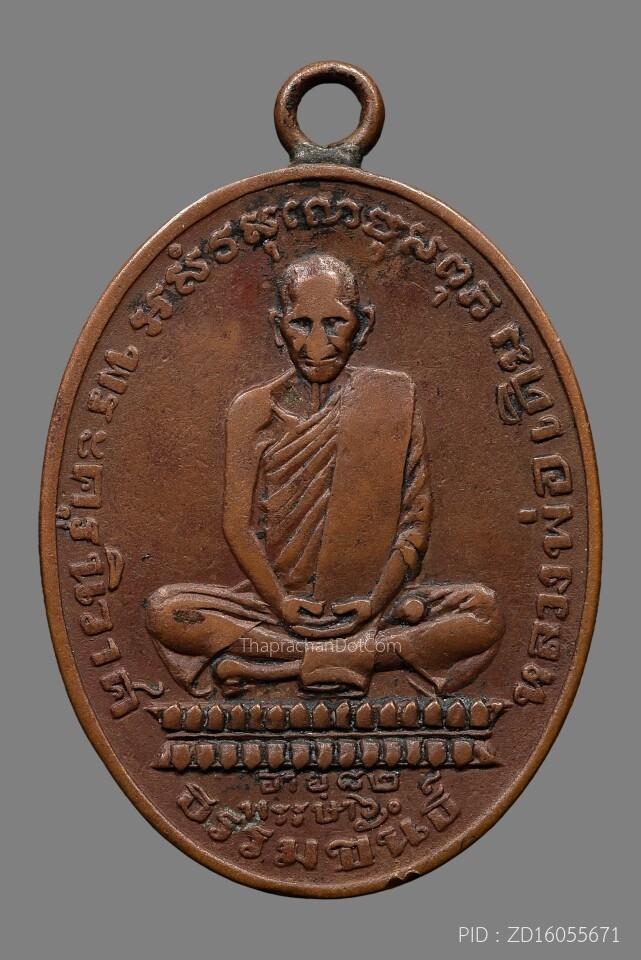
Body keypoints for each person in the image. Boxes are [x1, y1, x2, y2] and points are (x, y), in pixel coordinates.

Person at [145, 253, 504, 696]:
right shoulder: (252, 411)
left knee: (483, 612)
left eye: (335, 323)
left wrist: (374, 601)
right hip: (277, 607)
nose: (318, 343)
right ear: (278, 328)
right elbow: (238, 527)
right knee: (167, 612)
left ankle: (282, 665)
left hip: (377, 604)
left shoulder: (392, 397)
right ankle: (358, 658)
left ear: (363, 325)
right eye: (301, 324)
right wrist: (282, 604)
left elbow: (416, 522)